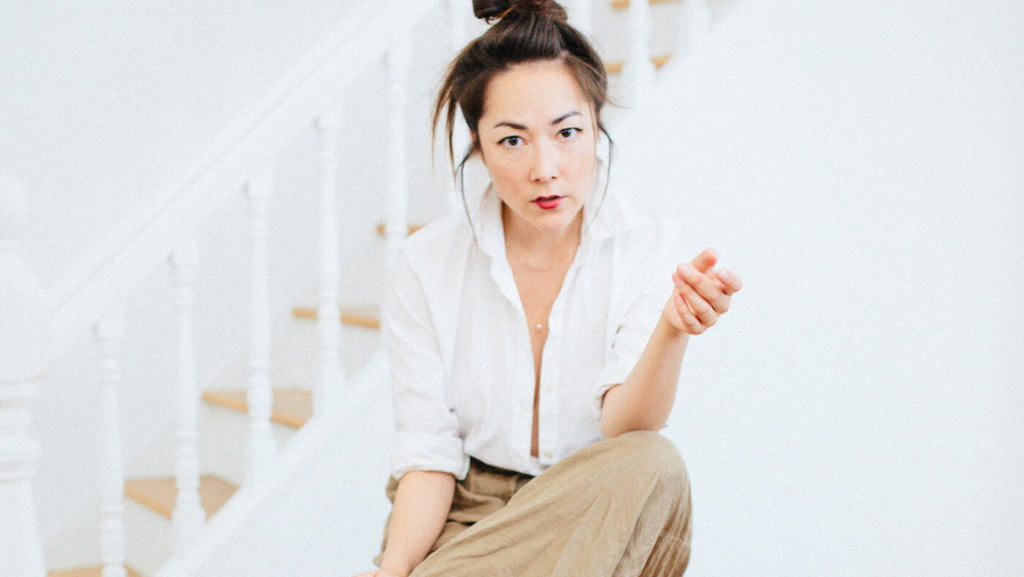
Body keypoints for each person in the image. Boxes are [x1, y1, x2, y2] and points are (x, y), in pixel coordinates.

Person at [354, 1, 742, 575]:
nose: (546, 167)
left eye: (567, 133)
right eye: (513, 141)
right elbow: (428, 458)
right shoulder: (425, 265)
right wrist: (392, 572)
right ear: (478, 144)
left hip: (593, 507)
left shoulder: (648, 246)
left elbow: (625, 429)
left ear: (595, 122)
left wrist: (672, 329)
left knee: (654, 462)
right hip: (472, 521)